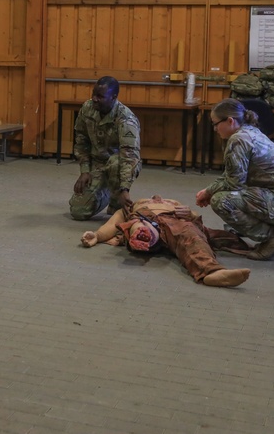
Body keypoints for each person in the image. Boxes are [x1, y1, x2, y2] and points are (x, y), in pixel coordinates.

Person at [196, 98, 274, 260]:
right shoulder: (250, 132)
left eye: (216, 123)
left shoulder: (238, 139)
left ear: (230, 121)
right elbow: (235, 175)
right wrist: (209, 189)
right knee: (233, 194)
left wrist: (209, 192)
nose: (215, 129)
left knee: (222, 201)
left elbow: (234, 183)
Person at [81, 196, 252, 288]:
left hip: (175, 221)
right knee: (138, 225)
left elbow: (196, 221)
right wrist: (97, 235)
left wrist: (189, 214)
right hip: (146, 220)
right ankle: (143, 236)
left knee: (191, 235)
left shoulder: (175, 207)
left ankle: (210, 272)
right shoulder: (136, 206)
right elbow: (114, 222)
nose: (157, 197)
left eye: (164, 199)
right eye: (152, 198)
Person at [70, 76, 141, 220]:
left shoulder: (126, 119)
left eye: (100, 96)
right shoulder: (87, 108)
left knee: (116, 162)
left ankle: (116, 205)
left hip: (119, 165)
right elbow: (81, 141)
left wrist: (124, 188)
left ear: (113, 97)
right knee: (78, 211)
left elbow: (129, 157)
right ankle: (107, 192)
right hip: (97, 164)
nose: (94, 99)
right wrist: (85, 171)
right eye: (94, 94)